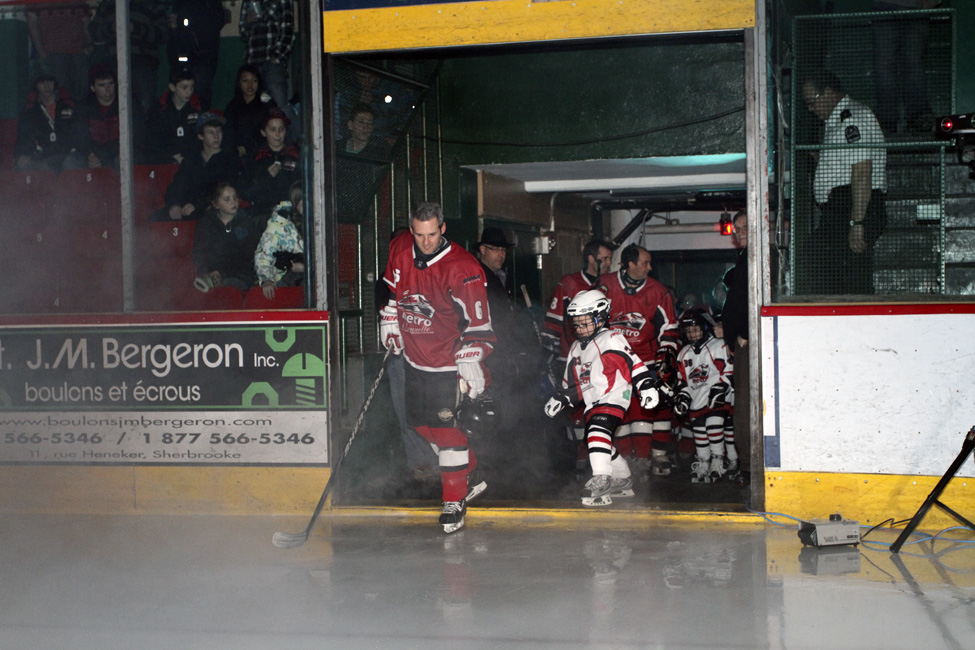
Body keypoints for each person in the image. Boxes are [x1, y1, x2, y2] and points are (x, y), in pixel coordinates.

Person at [379, 202, 494, 533]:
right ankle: (470, 472)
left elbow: (480, 323)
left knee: (449, 434)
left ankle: (453, 501)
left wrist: (472, 357)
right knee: (420, 426)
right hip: (416, 359)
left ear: (442, 229)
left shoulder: (463, 267)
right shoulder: (400, 247)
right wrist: (389, 318)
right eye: (419, 234)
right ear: (411, 230)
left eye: (431, 235)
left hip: (448, 364)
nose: (425, 242)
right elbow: (391, 289)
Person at [543, 289, 660, 507]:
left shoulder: (611, 338)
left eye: (585, 322)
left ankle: (602, 477)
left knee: (597, 431)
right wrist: (561, 398)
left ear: (600, 318)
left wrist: (646, 386)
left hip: (614, 396)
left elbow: (632, 363)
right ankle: (623, 479)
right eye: (576, 323)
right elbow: (576, 384)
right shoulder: (577, 348)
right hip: (593, 402)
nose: (580, 327)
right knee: (597, 440)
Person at [801, 70, 887, 295]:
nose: (811, 108)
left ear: (828, 93)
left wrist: (856, 222)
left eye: (812, 102)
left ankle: (850, 317)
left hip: (852, 203)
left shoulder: (850, 120)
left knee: (836, 265)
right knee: (835, 266)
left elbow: (861, 171)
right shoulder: (836, 121)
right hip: (843, 204)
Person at [599, 244, 680, 478]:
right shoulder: (605, 286)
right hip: (613, 363)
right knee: (618, 410)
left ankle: (643, 460)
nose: (650, 267)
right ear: (630, 264)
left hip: (647, 362)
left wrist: (666, 359)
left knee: (646, 408)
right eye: (645, 263)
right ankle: (624, 462)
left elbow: (670, 328)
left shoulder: (658, 291)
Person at [672, 307, 735, 483]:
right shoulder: (684, 353)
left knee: (714, 429)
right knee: (700, 435)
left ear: (705, 328)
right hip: (696, 400)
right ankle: (703, 464)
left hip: (716, 399)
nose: (691, 334)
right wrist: (683, 396)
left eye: (695, 329)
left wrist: (721, 387)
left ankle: (718, 463)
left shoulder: (718, 345)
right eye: (688, 330)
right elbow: (682, 380)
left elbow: (729, 370)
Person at [155, 111, 242, 222]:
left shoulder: (230, 158)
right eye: (211, 132)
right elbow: (178, 184)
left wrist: (197, 205)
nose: (216, 136)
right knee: (156, 219)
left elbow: (223, 190)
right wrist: (174, 204)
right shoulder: (192, 159)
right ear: (200, 136)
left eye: (219, 132)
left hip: (211, 209)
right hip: (187, 207)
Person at [88, 0, 168, 113]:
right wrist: (111, 28)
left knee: (145, 104)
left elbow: (163, 34)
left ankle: (144, 128)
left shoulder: (152, 3)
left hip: (143, 63)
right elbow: (93, 32)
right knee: (112, 106)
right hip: (113, 63)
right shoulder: (108, 4)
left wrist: (136, 29)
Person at [239, 0, 299, 142]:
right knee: (254, 108)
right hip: (252, 62)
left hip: (273, 63)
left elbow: (288, 30)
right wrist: (247, 22)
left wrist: (276, 57)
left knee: (280, 106)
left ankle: (293, 145)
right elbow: (243, 33)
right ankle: (259, 148)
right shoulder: (249, 1)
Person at [64, 65, 143, 171]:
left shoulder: (130, 104)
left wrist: (103, 156)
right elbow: (79, 137)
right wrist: (90, 154)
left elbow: (135, 137)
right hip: (92, 155)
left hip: (119, 153)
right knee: (71, 162)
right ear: (92, 88)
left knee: (124, 159)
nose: (108, 89)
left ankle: (123, 188)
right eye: (101, 85)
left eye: (110, 83)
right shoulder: (83, 107)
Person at [721, 209, 751, 477]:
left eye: (745, 227)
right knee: (741, 402)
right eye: (737, 228)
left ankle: (750, 465)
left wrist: (744, 332)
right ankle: (746, 464)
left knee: (746, 404)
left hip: (747, 344)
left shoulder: (756, 259)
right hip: (740, 342)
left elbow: (749, 300)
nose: (739, 233)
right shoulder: (744, 259)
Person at [192, 181, 262, 293]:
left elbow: (249, 259)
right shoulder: (206, 224)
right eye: (227, 199)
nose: (233, 202)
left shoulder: (248, 223)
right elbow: (200, 252)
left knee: (226, 290)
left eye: (235, 198)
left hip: (240, 276)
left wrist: (222, 274)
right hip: (212, 276)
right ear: (215, 204)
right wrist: (206, 273)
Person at [166, 0, 228, 111]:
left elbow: (213, 23)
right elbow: (174, 31)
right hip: (180, 59)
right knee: (177, 99)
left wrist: (181, 21)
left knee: (199, 99)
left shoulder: (211, 4)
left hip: (202, 59)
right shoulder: (179, 3)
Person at [26, 3, 93, 104]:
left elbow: (86, 23)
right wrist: (42, 52)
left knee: (81, 94)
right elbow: (32, 24)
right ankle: (61, 118)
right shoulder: (36, 3)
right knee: (60, 93)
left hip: (79, 53)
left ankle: (79, 117)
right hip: (53, 53)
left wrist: (89, 45)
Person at [241, 107, 300, 216]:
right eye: (272, 129)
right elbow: (248, 193)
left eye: (281, 129)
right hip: (263, 215)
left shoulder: (296, 154)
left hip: (291, 214)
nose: (277, 134)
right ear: (263, 132)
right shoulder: (255, 157)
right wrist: (267, 176)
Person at [14, 73, 77, 172]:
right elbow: (24, 139)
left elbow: (77, 136)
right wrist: (21, 155)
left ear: (55, 83)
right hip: (41, 157)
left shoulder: (69, 108)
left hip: (67, 154)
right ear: (36, 86)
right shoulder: (30, 114)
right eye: (42, 82)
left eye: (50, 81)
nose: (47, 86)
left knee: (71, 162)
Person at [255, 180, 305, 298]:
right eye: (302, 201)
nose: (307, 205)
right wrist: (267, 280)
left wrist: (306, 268)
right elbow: (264, 255)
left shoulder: (322, 223)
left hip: (314, 280)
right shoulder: (279, 223)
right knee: (278, 294)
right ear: (295, 202)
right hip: (284, 277)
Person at [145, 67, 203, 165]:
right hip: (165, 160)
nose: (189, 92)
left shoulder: (199, 106)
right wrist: (170, 157)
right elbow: (152, 141)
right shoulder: (158, 109)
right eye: (184, 87)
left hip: (192, 160)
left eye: (191, 87)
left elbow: (201, 138)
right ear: (172, 87)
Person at [223, 65, 276, 159]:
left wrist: (247, 148)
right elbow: (228, 133)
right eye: (245, 81)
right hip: (236, 154)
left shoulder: (267, 104)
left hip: (261, 154)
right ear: (239, 82)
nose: (250, 85)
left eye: (254, 81)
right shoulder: (232, 106)